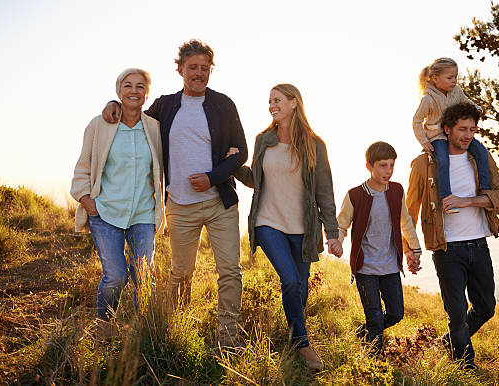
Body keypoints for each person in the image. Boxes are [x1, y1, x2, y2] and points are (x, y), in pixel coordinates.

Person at [102, 39, 248, 349]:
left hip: (219, 204)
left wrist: (212, 177)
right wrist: (114, 105)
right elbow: (134, 118)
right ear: (180, 69)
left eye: (204, 68)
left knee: (230, 272)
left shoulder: (223, 104)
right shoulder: (165, 105)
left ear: (211, 70)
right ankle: (178, 328)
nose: (199, 73)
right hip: (179, 206)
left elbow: (241, 153)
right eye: (192, 67)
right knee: (181, 272)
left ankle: (229, 336)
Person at [233, 84, 341, 370]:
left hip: (303, 230)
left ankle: (293, 334)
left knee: (301, 289)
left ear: (294, 103)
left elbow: (324, 191)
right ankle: (303, 345)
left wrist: (333, 234)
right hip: (268, 222)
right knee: (290, 281)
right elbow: (256, 178)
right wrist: (232, 164)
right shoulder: (263, 140)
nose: (272, 105)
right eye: (269, 101)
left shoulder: (314, 144)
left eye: (277, 100)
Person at [406, 102, 499, 370]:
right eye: (462, 129)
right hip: (446, 249)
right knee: (457, 314)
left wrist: (468, 201)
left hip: (479, 243)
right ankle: (465, 367)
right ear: (446, 129)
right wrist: (410, 250)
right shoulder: (424, 164)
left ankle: (449, 342)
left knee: (486, 306)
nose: (468, 135)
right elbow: (409, 210)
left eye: (472, 130)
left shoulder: (480, 158)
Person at [71, 68, 164, 328]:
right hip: (105, 212)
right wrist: (87, 201)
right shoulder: (99, 125)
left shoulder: (155, 128)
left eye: (140, 86)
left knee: (144, 277)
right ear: (118, 91)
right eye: (128, 86)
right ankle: (105, 327)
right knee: (116, 277)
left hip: (143, 214)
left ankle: (143, 333)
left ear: (147, 93)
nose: (134, 91)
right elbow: (83, 166)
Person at [336, 141, 422, 354]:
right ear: (369, 166)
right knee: (374, 316)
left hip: (391, 266)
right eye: (383, 165)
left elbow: (405, 222)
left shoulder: (396, 190)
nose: (389, 171)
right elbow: (342, 224)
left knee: (396, 313)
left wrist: (415, 249)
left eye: (392, 165)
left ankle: (363, 333)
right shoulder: (355, 195)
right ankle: (375, 364)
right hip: (365, 268)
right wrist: (337, 241)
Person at [412, 57, 491, 213]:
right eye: (449, 77)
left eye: (455, 76)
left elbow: (466, 101)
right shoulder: (428, 99)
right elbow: (416, 121)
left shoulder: (456, 91)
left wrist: (476, 108)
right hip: (438, 136)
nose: (454, 80)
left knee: (481, 152)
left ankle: (485, 190)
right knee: (442, 159)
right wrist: (424, 141)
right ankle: (447, 199)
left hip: (455, 134)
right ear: (435, 78)